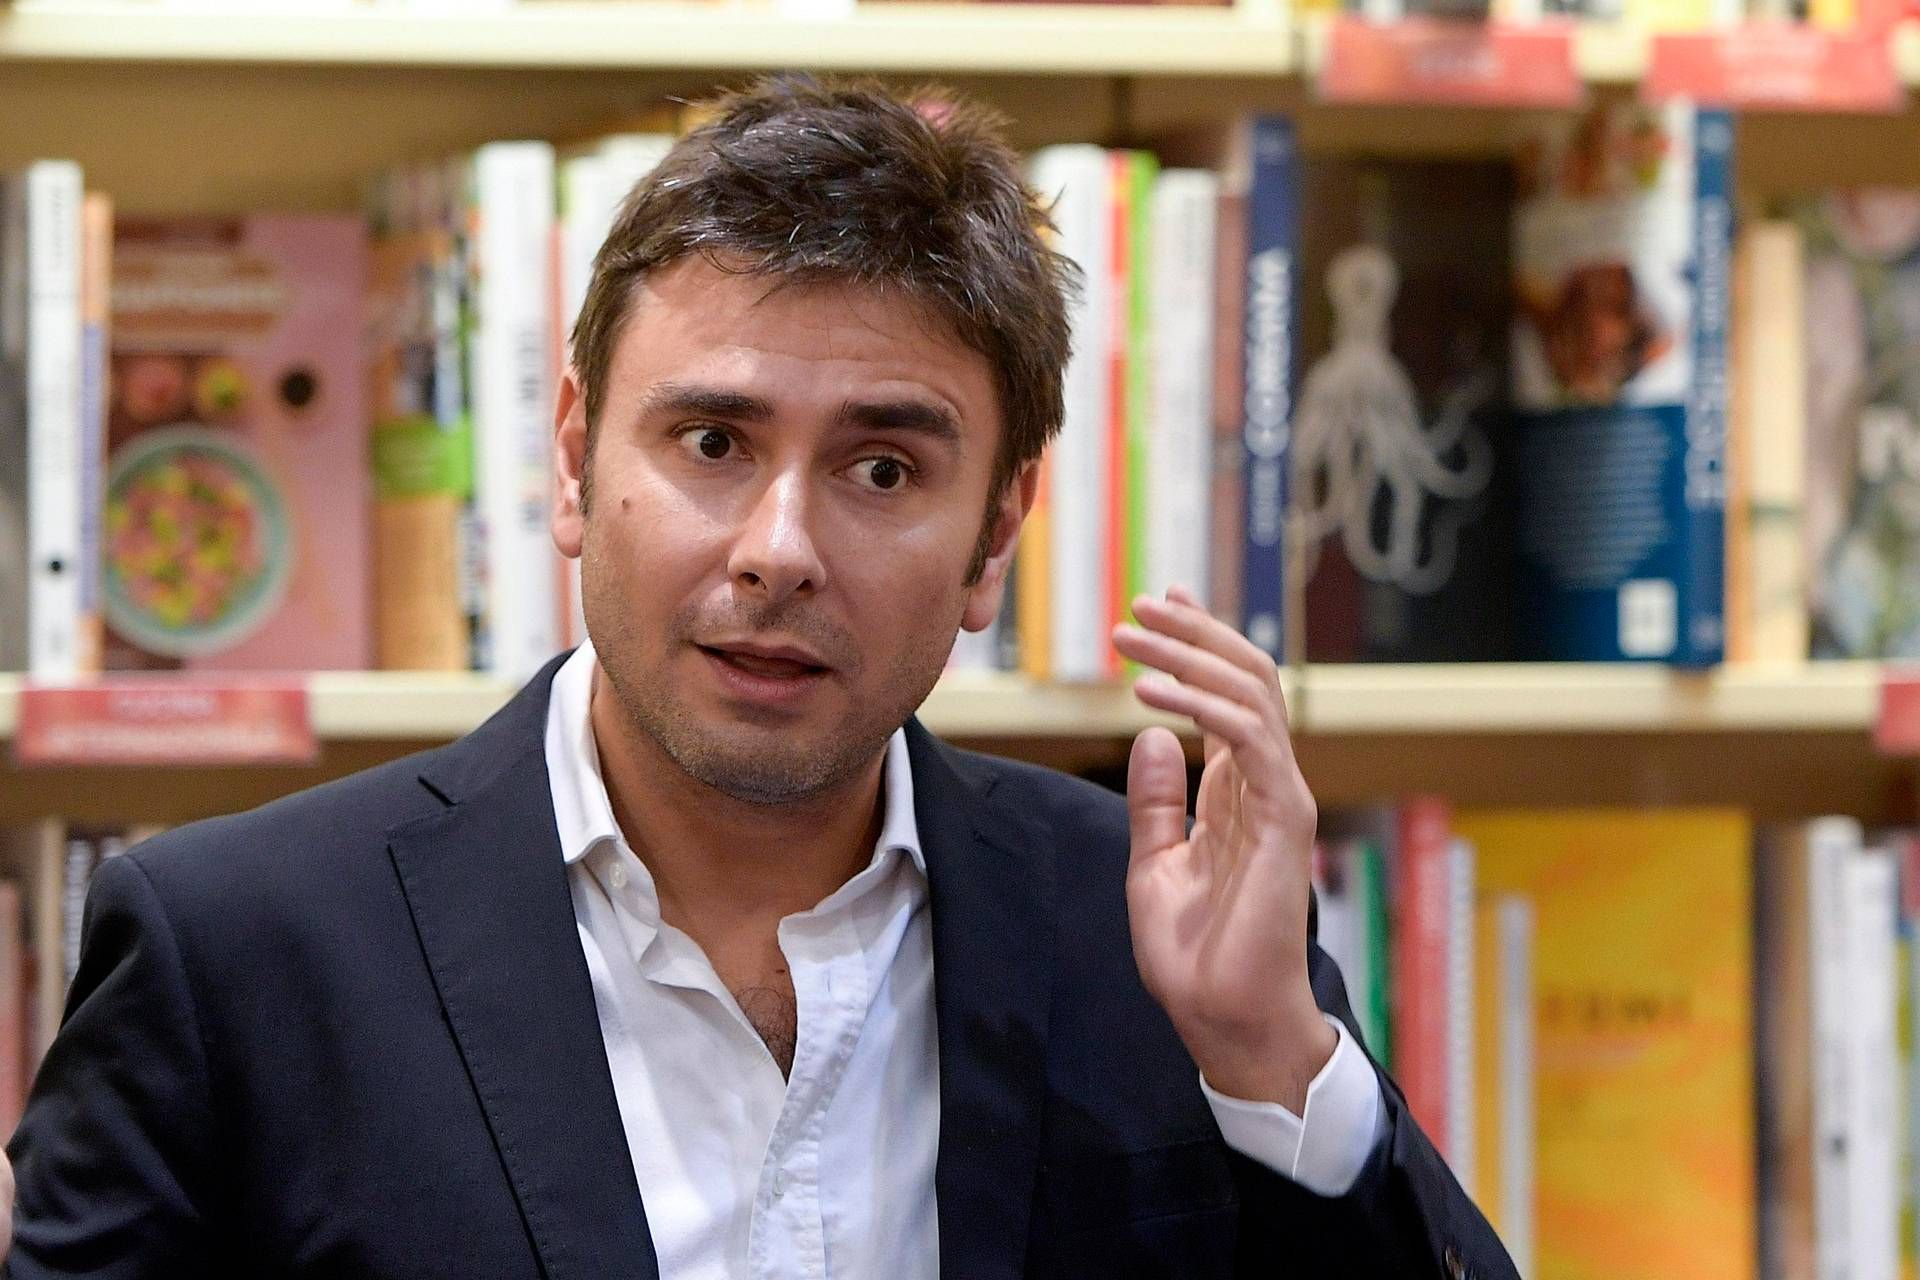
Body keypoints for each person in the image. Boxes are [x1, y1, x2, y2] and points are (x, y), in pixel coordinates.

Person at [4, 76, 1516, 1278]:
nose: (779, 551)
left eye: (882, 467)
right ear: (575, 462)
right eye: (714, 442)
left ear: (996, 536)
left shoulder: (1150, 934)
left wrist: (1271, 1061)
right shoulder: (234, 953)